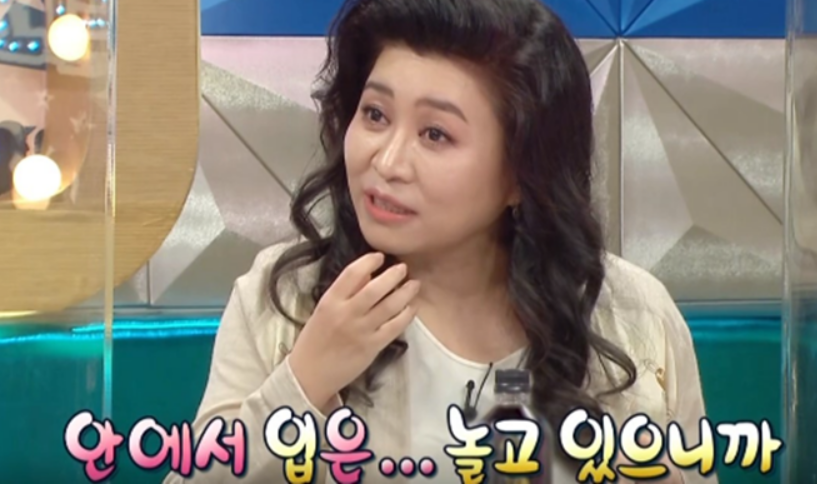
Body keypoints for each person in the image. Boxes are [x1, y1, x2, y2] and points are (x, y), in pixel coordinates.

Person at [166, 0, 715, 482]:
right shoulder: (286, 297)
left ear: (521, 173)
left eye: (435, 134)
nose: (386, 161)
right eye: (375, 114)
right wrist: (304, 381)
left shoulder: (633, 314)